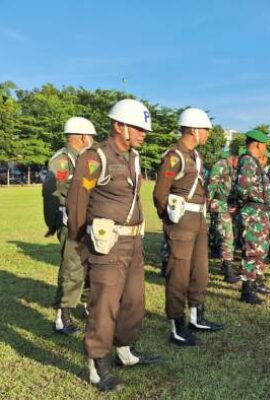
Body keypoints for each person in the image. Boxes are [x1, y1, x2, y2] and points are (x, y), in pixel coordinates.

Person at [66, 99, 160, 392]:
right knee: (104, 305)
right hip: (108, 243)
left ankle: (125, 350)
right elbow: (77, 202)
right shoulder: (96, 157)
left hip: (133, 241)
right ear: (119, 126)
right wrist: (81, 241)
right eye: (138, 128)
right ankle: (97, 364)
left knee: (134, 301)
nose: (144, 134)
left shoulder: (133, 157)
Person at [153, 108, 224, 346]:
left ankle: (196, 316)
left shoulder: (195, 156)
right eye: (205, 130)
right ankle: (177, 325)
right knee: (179, 275)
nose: (208, 134)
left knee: (200, 271)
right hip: (181, 221)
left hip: (199, 220)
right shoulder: (175, 156)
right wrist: (170, 219)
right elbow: (160, 193)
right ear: (193, 129)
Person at [43, 116, 96, 335]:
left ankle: (88, 304)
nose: (93, 139)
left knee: (91, 265)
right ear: (83, 137)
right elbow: (51, 192)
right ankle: (61, 318)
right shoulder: (63, 160)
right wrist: (54, 221)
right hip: (70, 221)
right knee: (72, 267)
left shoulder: (83, 158)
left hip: (87, 219)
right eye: (91, 136)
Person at [236, 130, 270, 304]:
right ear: (258, 144)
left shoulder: (254, 162)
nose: (265, 148)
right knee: (252, 250)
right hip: (254, 211)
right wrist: (257, 198)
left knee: (260, 250)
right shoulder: (248, 161)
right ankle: (247, 289)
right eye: (265, 144)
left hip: (260, 212)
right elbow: (243, 188)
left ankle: (257, 281)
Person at [207, 149, 241, 283]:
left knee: (228, 236)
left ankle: (225, 266)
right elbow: (211, 187)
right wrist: (207, 205)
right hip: (219, 205)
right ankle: (227, 270)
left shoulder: (230, 168)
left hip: (225, 205)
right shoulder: (220, 165)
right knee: (227, 237)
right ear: (235, 157)